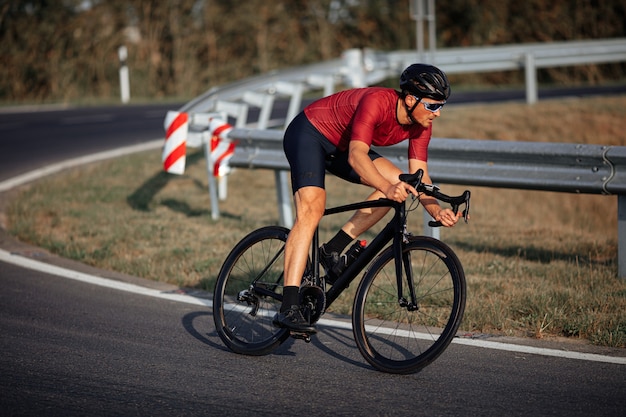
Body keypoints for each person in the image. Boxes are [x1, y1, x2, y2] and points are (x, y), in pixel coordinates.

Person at [273, 64, 462, 333]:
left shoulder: (421, 124)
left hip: (342, 145)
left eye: (441, 106)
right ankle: (288, 307)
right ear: (411, 99)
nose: (438, 113)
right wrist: (385, 187)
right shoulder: (377, 102)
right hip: (310, 133)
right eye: (433, 106)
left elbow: (420, 178)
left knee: (402, 184)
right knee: (312, 209)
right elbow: (356, 157)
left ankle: (332, 249)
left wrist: (436, 210)